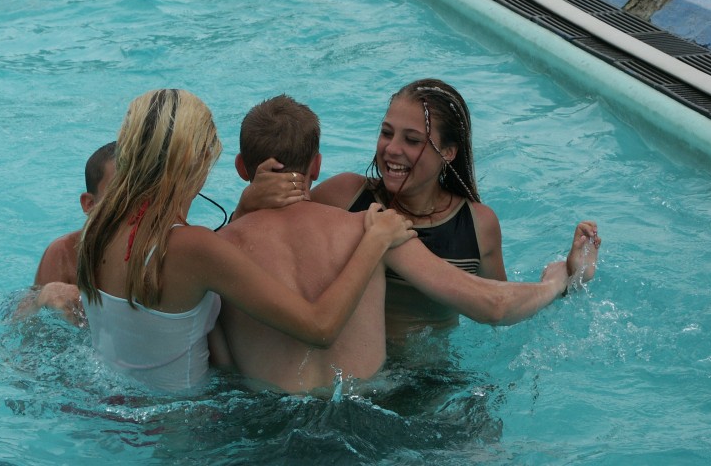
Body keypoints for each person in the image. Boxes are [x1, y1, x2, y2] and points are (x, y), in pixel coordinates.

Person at [212, 95, 586, 393]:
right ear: (317, 165)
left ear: (240, 167)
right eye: (386, 133)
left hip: (402, 382)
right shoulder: (373, 223)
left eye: (412, 140)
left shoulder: (214, 251)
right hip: (373, 395)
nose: (392, 149)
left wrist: (242, 211)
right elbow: (493, 304)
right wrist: (557, 281)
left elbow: (221, 356)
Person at [76, 89, 416, 393]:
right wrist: (375, 241)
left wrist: (243, 210)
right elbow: (319, 327)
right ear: (199, 161)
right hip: (188, 427)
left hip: (111, 407)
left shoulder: (96, 232)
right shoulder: (195, 247)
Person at [14, 142, 116, 322]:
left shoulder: (161, 254)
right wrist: (45, 297)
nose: (133, 205)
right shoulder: (65, 255)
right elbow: (20, 324)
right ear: (90, 204)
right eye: (119, 195)